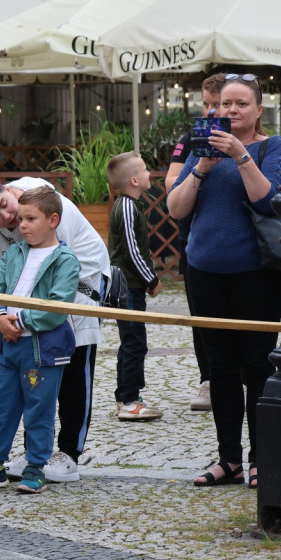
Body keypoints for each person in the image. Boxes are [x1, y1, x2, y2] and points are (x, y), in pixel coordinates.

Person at [166, 72, 281, 489]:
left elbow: (270, 201)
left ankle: (262, 458)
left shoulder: (272, 147)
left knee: (257, 366)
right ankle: (228, 459)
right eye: (225, 104)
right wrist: (200, 167)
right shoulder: (201, 148)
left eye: (240, 104)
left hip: (255, 273)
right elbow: (176, 209)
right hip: (204, 272)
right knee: (220, 368)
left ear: (258, 110)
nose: (231, 111)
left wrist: (241, 156)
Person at [0, 175, 111, 483]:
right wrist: (1, 316)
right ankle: (35, 454)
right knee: (28, 384)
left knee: (73, 367)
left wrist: (30, 317)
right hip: (26, 311)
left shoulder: (49, 205)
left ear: (8, 190)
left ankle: (69, 453)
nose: (6, 218)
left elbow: (61, 261)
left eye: (5, 206)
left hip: (78, 288)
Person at [0, 186, 80, 494]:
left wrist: (22, 321)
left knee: (39, 409)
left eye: (30, 218)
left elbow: (58, 305)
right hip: (8, 346)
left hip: (43, 351)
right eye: (21, 218)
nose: (21, 224)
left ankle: (36, 467)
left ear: (53, 220)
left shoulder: (65, 260)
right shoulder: (13, 254)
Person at [165, 72, 227, 412]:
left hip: (237, 239)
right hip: (194, 235)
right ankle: (208, 378)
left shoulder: (246, 139)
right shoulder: (193, 137)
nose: (210, 111)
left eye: (216, 104)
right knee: (200, 316)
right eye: (206, 104)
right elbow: (171, 183)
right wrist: (201, 167)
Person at [107, 152, 163, 421]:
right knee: (135, 343)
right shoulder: (128, 207)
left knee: (130, 342)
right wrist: (151, 279)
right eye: (144, 170)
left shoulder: (128, 204)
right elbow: (132, 250)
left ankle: (124, 397)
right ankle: (129, 400)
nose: (149, 173)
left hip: (128, 285)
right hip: (128, 287)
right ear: (133, 180)